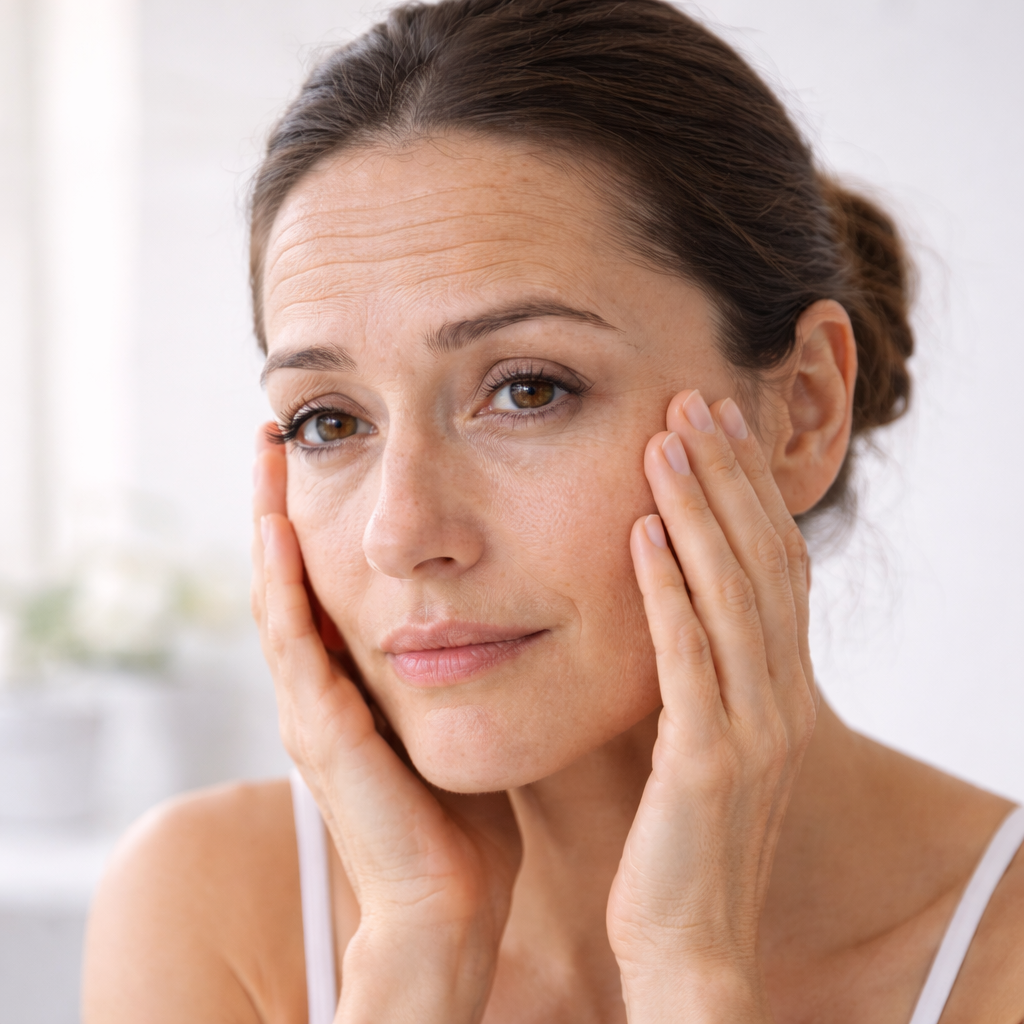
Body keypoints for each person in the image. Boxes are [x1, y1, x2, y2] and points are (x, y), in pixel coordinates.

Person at [81, 1, 1024, 1021]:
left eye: (528, 389)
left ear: (801, 410)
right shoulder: (212, 906)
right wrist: (415, 944)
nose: (398, 532)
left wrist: (689, 971)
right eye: (326, 421)